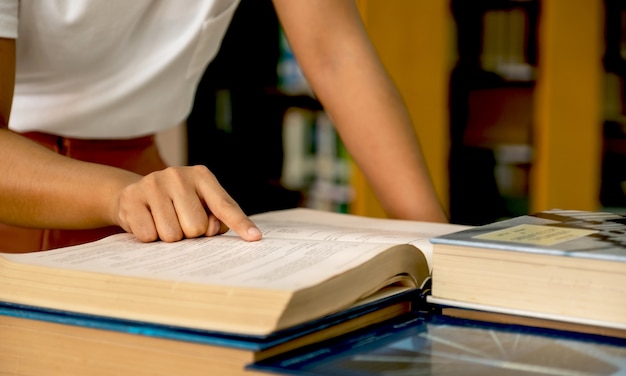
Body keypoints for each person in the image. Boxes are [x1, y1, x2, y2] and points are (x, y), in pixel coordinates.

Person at [0, 0, 447, 253]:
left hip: (145, 189)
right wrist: (119, 194)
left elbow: (337, 55)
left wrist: (439, 246)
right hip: (25, 188)